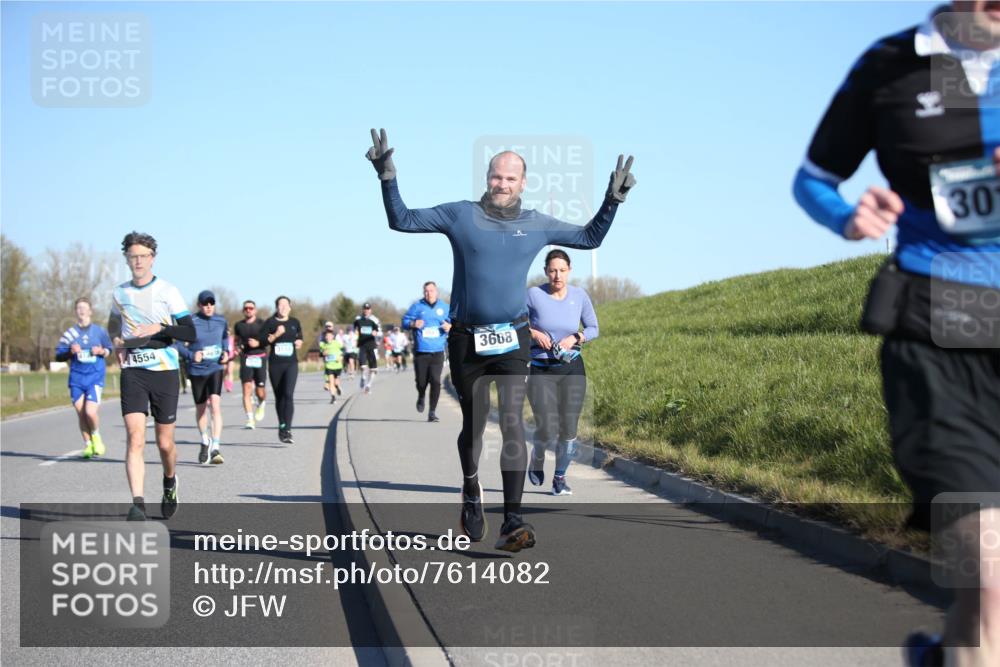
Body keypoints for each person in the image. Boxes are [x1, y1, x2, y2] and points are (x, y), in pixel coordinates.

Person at [793, 4, 1000, 664]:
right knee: (990, 579)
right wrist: (847, 216)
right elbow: (814, 179)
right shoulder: (888, 67)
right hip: (937, 328)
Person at [367, 128, 635, 551]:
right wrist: (387, 177)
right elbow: (401, 219)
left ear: (523, 183)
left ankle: (513, 520)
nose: (502, 184)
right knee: (474, 422)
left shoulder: (536, 224)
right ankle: (471, 490)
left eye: (511, 179)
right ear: (487, 178)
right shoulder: (460, 215)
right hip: (466, 339)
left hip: (512, 336)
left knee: (512, 421)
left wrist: (612, 201)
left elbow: (589, 238)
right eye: (496, 176)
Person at [109, 231, 196, 521]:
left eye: (143, 256)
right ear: (127, 258)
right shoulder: (120, 293)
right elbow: (113, 324)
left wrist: (160, 327)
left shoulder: (167, 291)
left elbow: (189, 332)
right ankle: (138, 503)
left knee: (164, 444)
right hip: (133, 371)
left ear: (152, 259)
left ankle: (170, 482)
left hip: (164, 371)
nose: (138, 261)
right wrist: (116, 344)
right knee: (135, 438)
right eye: (132, 256)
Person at [526, 249, 598, 496]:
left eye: (562, 270)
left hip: (572, 368)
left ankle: (559, 477)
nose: (557, 275)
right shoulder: (533, 295)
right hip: (540, 368)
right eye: (553, 270)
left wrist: (576, 337)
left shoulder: (579, 295)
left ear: (569, 271)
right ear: (546, 272)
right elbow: (515, 322)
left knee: (568, 427)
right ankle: (537, 457)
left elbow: (593, 328)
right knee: (546, 426)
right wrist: (533, 333)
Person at [54, 297, 113, 458]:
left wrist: (101, 351)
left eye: (84, 307)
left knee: (90, 412)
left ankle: (96, 435)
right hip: (76, 379)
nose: (81, 310)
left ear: (90, 311)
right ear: (75, 312)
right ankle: (87, 445)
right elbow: (58, 355)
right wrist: (70, 352)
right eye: (78, 308)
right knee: (81, 414)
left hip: (94, 377)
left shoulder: (99, 332)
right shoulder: (70, 333)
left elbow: (110, 349)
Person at [176, 290, 230, 465]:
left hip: (215, 368)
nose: (208, 307)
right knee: (201, 409)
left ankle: (216, 446)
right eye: (205, 304)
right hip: (197, 370)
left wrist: (226, 352)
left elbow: (224, 338)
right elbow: (177, 344)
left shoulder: (221, 320)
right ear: (199, 305)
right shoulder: (191, 321)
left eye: (211, 303)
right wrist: (191, 356)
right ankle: (204, 440)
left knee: (215, 405)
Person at [402, 281, 451, 422]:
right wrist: (413, 323)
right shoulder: (417, 307)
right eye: (426, 291)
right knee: (421, 382)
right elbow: (404, 322)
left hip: (438, 351)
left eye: (431, 290)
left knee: (435, 381)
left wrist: (450, 326)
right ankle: (421, 395)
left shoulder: (444, 308)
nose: (428, 293)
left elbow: (454, 322)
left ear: (436, 292)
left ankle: (432, 412)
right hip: (421, 351)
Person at [263, 295, 303, 443]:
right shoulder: (270, 322)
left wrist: (299, 341)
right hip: (275, 364)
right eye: (280, 305)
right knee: (279, 396)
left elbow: (299, 336)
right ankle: (282, 424)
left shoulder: (294, 322)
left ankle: (288, 430)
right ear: (276, 307)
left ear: (290, 307)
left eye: (286, 305)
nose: (284, 307)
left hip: (291, 363)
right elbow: (263, 340)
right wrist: (276, 334)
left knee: (288, 394)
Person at [234, 300, 268, 429]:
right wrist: (237, 348)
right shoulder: (239, 325)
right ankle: (250, 419)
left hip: (260, 358)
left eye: (251, 308)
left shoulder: (262, 324)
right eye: (246, 308)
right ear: (243, 310)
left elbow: (267, 340)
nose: (248, 310)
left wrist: (258, 343)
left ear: (255, 310)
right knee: (246, 389)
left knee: (260, 391)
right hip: (246, 359)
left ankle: (262, 403)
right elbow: (236, 340)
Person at [354, 303, 382, 394]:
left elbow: (379, 331)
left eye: (368, 309)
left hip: (372, 345)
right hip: (362, 344)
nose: (366, 310)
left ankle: (369, 385)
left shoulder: (374, 319)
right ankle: (363, 377)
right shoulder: (358, 319)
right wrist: (355, 335)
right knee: (362, 366)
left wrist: (376, 333)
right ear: (363, 310)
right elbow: (354, 329)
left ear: (370, 310)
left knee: (373, 369)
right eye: (365, 309)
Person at [319, 328, 345, 403]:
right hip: (329, 366)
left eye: (329, 336)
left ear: (332, 336)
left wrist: (341, 357)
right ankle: (333, 397)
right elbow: (321, 354)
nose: (328, 337)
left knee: (336, 382)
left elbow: (343, 350)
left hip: (337, 366)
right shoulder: (323, 344)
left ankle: (337, 387)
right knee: (331, 381)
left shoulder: (336, 343)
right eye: (326, 336)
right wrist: (323, 353)